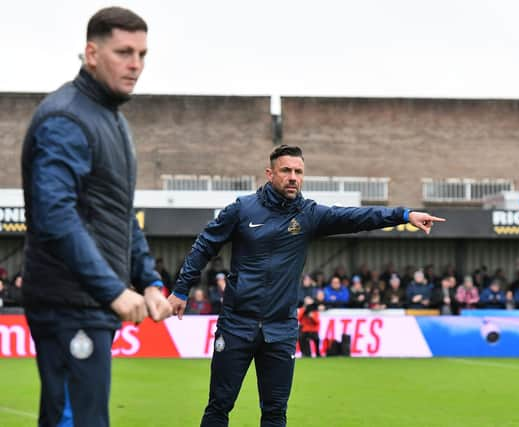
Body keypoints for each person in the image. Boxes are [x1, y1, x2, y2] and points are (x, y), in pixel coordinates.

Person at [167, 145, 445, 427]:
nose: (293, 177)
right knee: (219, 407)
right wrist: (181, 289)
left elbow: (356, 217)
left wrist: (403, 214)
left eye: (298, 172)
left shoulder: (309, 214)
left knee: (275, 413)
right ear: (270, 173)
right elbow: (204, 245)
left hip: (281, 328)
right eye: (286, 170)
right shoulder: (242, 209)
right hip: (237, 324)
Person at [20, 8, 172, 427]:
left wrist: (149, 281)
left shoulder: (113, 121)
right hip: (68, 304)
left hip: (91, 304)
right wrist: (113, 290)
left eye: (142, 54)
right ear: (91, 52)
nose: (136, 64)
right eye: (124, 52)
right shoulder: (66, 119)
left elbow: (120, 216)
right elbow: (56, 218)